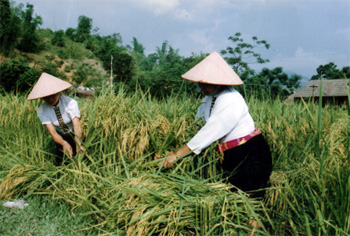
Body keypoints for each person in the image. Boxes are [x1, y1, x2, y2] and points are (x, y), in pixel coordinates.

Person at [156, 52, 272, 198]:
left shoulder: (230, 99)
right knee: (232, 199)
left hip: (249, 153)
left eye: (206, 84)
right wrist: (171, 154)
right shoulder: (207, 100)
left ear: (218, 82)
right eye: (201, 83)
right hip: (229, 154)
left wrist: (178, 155)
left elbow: (210, 132)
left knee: (249, 200)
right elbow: (198, 129)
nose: (202, 87)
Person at [27, 72, 85, 165]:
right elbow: (53, 132)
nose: (50, 100)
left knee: (81, 159)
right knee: (62, 163)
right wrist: (63, 143)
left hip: (75, 133)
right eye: (46, 97)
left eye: (52, 95)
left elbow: (77, 125)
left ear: (58, 92)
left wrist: (79, 143)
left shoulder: (70, 103)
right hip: (60, 137)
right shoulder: (42, 110)